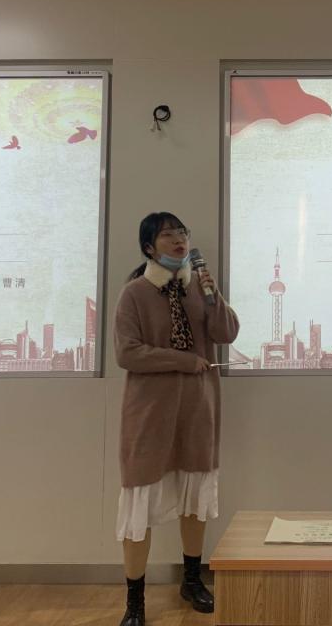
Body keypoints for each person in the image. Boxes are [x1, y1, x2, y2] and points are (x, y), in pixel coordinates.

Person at [113, 212, 240, 626]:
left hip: (197, 411)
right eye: (168, 235)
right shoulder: (135, 293)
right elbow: (127, 353)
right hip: (150, 415)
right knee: (139, 507)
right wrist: (183, 361)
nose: (179, 240)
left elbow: (227, 333)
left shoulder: (199, 287)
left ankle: (192, 580)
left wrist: (212, 295)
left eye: (182, 233)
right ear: (149, 247)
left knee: (194, 501)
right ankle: (135, 602)